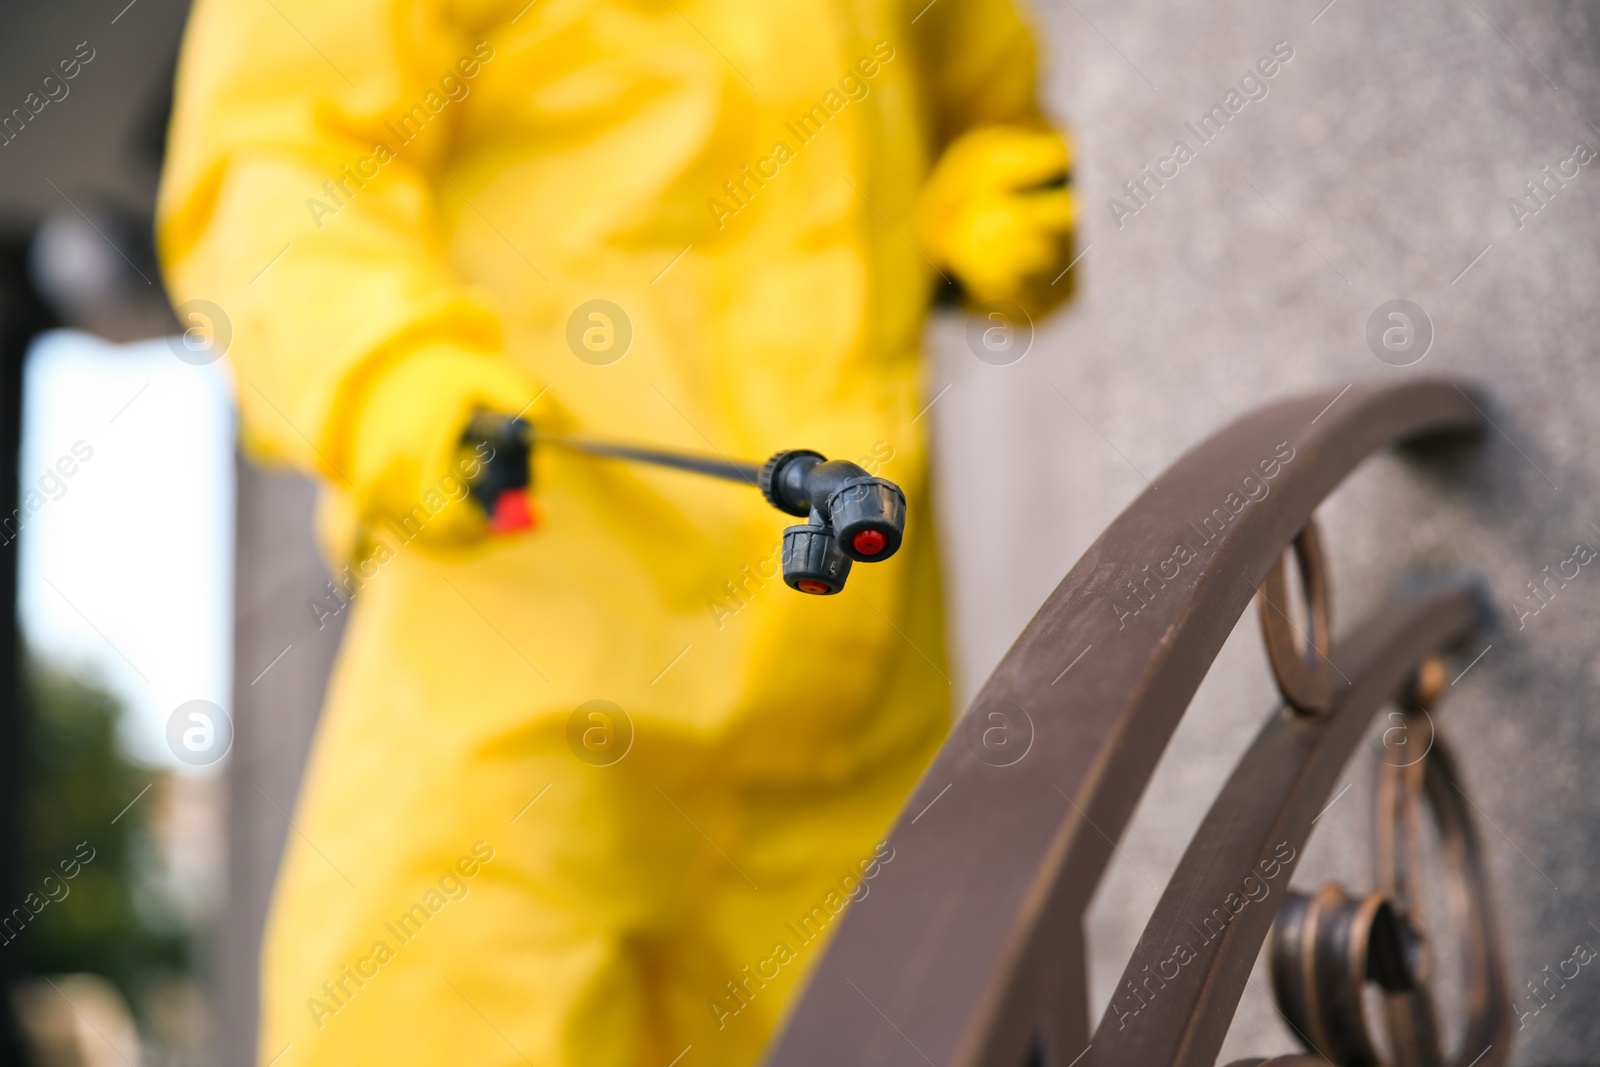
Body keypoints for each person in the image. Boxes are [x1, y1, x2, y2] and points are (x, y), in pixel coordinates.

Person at [157, 1, 1075, 1063]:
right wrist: (382, 371)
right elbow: (274, 151)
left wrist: (986, 192)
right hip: (528, 648)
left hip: (848, 694)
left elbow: (988, 104)